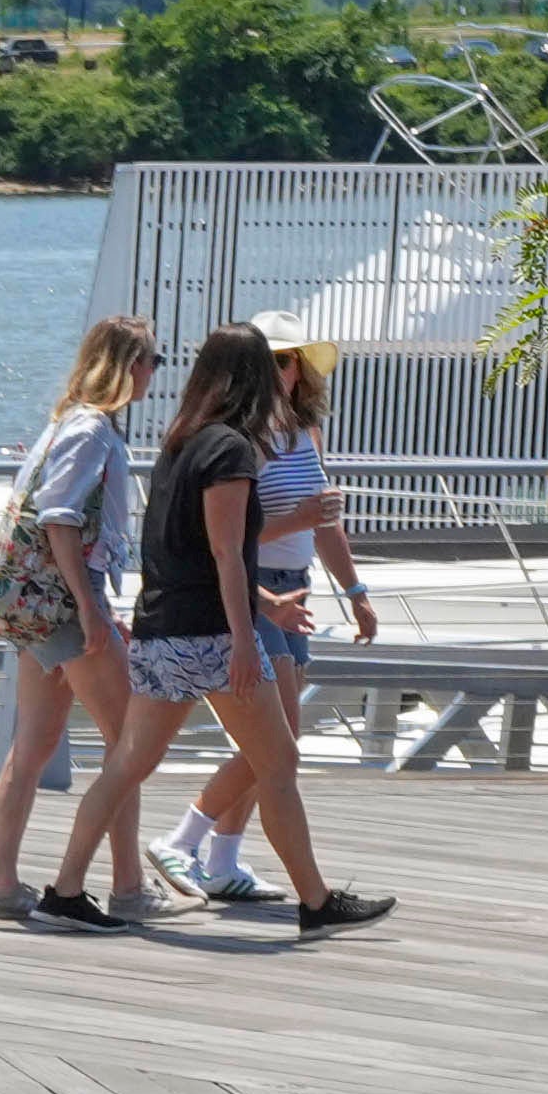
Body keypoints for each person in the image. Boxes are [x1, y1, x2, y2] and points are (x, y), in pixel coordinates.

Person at [40, 321, 391, 937]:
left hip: (159, 629)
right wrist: (243, 640)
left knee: (126, 765)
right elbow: (227, 553)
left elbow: (184, 547)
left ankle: (65, 891)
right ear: (256, 378)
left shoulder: (180, 442)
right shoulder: (229, 449)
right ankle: (316, 903)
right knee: (278, 761)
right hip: (209, 634)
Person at [178, 328, 376, 907]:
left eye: (292, 361)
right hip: (255, 587)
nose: (283, 371)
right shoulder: (240, 441)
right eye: (273, 360)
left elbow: (326, 524)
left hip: (297, 589)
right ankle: (184, 838)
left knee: (272, 741)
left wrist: (356, 590)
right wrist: (302, 518)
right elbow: (227, 537)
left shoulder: (303, 433)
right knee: (277, 741)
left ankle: (223, 858)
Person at [0, 318, 153, 925]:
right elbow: (59, 516)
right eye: (149, 361)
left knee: (33, 748)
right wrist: (92, 607)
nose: (155, 373)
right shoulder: (91, 429)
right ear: (125, 367)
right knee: (129, 742)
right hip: (65, 605)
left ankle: (1, 885)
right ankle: (124, 886)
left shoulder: (66, 422)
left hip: (38, 606)